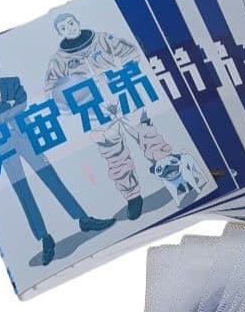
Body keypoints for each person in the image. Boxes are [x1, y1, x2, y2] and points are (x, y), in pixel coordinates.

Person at [0, 54, 115, 266]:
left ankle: (83, 219)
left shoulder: (12, 82)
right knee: (22, 190)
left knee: (51, 177)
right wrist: (7, 106)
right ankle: (45, 238)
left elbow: (21, 104)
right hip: (2, 145)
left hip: (26, 136)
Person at [45, 13, 173, 220]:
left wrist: (124, 71)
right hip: (94, 110)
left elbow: (131, 52)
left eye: (71, 23)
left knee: (147, 135)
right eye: (63, 28)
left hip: (122, 96)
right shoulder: (59, 61)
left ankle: (171, 172)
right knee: (113, 154)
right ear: (59, 33)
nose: (69, 28)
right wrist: (73, 103)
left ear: (77, 22)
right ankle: (133, 197)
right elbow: (51, 92)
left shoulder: (102, 39)